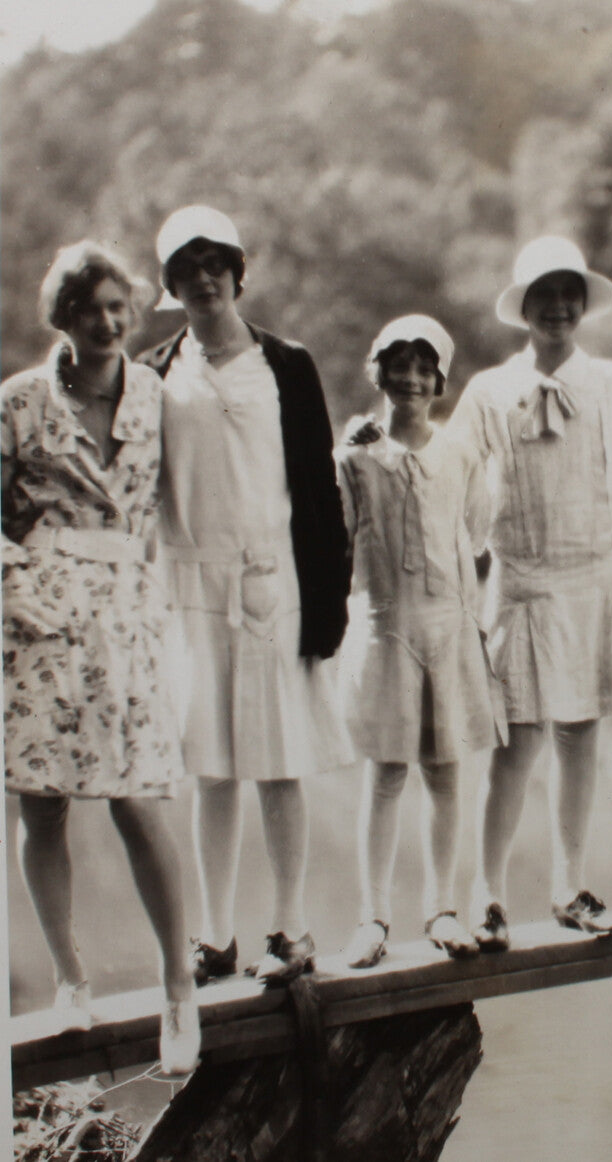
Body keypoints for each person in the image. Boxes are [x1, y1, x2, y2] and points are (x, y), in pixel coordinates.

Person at [449, 236, 612, 950]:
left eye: (569, 295)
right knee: (517, 740)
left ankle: (569, 885)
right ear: (524, 308)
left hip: (596, 574)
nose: (558, 307)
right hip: (524, 579)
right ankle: (486, 894)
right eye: (544, 296)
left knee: (580, 731)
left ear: (582, 304)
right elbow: (454, 468)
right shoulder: (490, 390)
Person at [140, 205, 351, 985]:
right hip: (191, 588)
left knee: (278, 762)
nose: (202, 278)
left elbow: (321, 491)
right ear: (171, 283)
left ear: (237, 270)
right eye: (185, 268)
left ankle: (291, 928)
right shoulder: (155, 374)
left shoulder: (286, 365)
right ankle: (214, 936)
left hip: (276, 585)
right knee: (213, 767)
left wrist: (329, 604)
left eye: (213, 262)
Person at [2, 242, 199, 1074]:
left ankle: (179, 990)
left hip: (127, 615)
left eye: (122, 308)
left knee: (140, 801)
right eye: (92, 309)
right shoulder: (17, 402)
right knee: (41, 803)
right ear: (64, 316)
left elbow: (178, 512)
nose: (110, 322)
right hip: (40, 619)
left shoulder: (157, 396)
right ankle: (70, 980)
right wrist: (14, 578)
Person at [335, 316, 506, 967]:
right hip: (386, 627)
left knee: (445, 770)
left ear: (439, 379)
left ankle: (442, 908)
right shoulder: (355, 455)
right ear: (377, 371)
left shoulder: (460, 454)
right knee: (385, 773)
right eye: (397, 364)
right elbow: (341, 538)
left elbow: (476, 531)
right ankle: (372, 918)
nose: (409, 377)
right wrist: (348, 452)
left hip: (448, 626)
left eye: (423, 367)